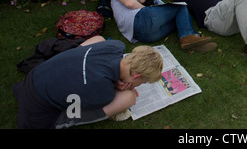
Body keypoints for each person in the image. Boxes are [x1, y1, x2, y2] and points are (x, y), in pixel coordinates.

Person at [13, 36, 163, 129]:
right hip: (38, 115)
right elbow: (79, 106)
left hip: (36, 77)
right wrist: (120, 89)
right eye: (142, 82)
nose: (139, 85)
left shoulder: (115, 46)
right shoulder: (102, 92)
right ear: (136, 76)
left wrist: (116, 79)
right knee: (129, 97)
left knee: (99, 39)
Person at [110, 0, 214, 51]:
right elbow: (130, 3)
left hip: (144, 36)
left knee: (178, 19)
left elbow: (141, 0)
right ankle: (188, 36)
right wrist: (148, 9)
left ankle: (193, 43)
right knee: (180, 6)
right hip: (142, 19)